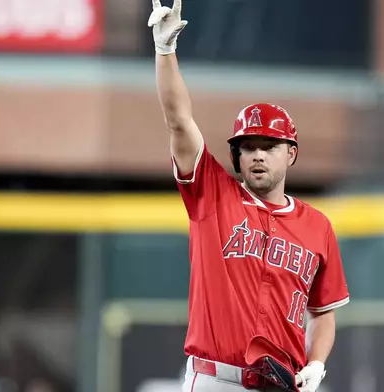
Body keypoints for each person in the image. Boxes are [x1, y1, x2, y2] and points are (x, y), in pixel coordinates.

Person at [148, 1, 350, 391]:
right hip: (214, 379)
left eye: (269, 145)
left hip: (280, 383)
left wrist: (317, 363)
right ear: (236, 156)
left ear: (290, 153)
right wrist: (165, 52)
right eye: (248, 146)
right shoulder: (211, 195)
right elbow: (178, 120)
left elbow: (323, 313)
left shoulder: (317, 226)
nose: (257, 154)